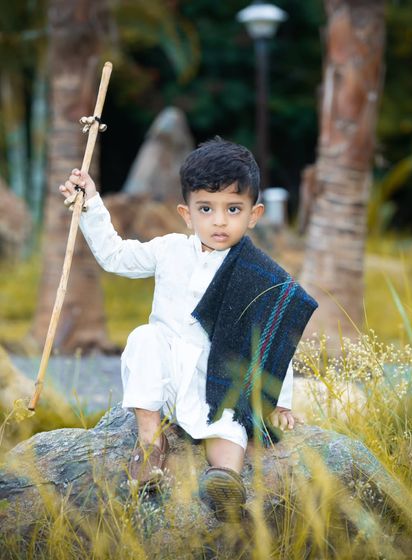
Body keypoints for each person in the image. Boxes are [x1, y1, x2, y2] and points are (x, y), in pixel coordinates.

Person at [59, 137, 317, 522]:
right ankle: (150, 442)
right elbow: (115, 256)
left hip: (214, 378)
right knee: (143, 338)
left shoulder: (259, 274)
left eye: (233, 209)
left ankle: (225, 479)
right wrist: (92, 203)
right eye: (206, 209)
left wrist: (280, 402)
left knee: (231, 423)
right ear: (186, 213)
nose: (218, 220)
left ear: (254, 214)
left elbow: (273, 338)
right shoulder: (169, 250)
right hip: (164, 373)